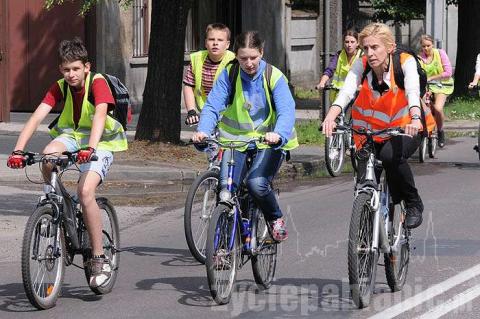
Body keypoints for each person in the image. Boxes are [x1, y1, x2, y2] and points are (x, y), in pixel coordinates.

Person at [7, 38, 128, 288]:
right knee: (48, 156)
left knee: (85, 192)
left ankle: (98, 256)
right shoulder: (59, 86)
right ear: (60, 70)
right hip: (73, 136)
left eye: (75, 68)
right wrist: (18, 150)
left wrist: (91, 148)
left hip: (102, 141)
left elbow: (100, 116)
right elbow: (36, 117)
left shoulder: (98, 83)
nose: (71, 74)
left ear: (86, 66)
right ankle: (53, 201)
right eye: (66, 69)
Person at [322, 23, 433, 229]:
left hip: (406, 126)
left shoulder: (405, 63)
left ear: (390, 47)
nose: (370, 53)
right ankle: (364, 239)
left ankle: (412, 203)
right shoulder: (363, 65)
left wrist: (416, 118)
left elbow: (411, 91)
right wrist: (331, 117)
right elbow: (346, 92)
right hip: (370, 131)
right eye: (366, 48)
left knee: (391, 157)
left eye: (375, 47)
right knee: (364, 182)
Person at [192, 31, 298, 241]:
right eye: (243, 58)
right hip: (234, 142)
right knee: (226, 189)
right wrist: (203, 130)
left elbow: (287, 110)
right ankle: (225, 245)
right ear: (236, 56)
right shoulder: (229, 74)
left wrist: (277, 134)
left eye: (253, 58)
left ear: (261, 52)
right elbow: (213, 106)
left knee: (256, 184)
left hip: (268, 142)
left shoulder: (273, 76)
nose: (248, 63)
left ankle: (274, 218)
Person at [183, 23, 236, 125]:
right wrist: (191, 111)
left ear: (227, 44)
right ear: (206, 42)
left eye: (220, 40)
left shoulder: (234, 60)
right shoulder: (196, 58)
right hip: (206, 110)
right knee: (203, 138)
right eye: (211, 39)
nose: (215, 43)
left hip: (229, 111)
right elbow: (189, 85)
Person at [419, 34, 454, 148]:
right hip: (428, 86)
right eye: (424, 46)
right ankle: (425, 129)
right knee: (424, 108)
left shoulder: (440, 53)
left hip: (442, 85)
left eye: (428, 45)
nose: (426, 48)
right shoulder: (420, 58)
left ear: (432, 44)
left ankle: (440, 130)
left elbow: (448, 72)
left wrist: (432, 77)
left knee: (438, 108)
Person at [316, 30, 362, 103]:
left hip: (357, 95)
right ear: (343, 43)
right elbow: (329, 70)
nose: (349, 45)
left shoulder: (362, 56)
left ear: (357, 43)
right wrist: (322, 82)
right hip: (340, 95)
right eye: (347, 42)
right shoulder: (339, 55)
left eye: (352, 42)